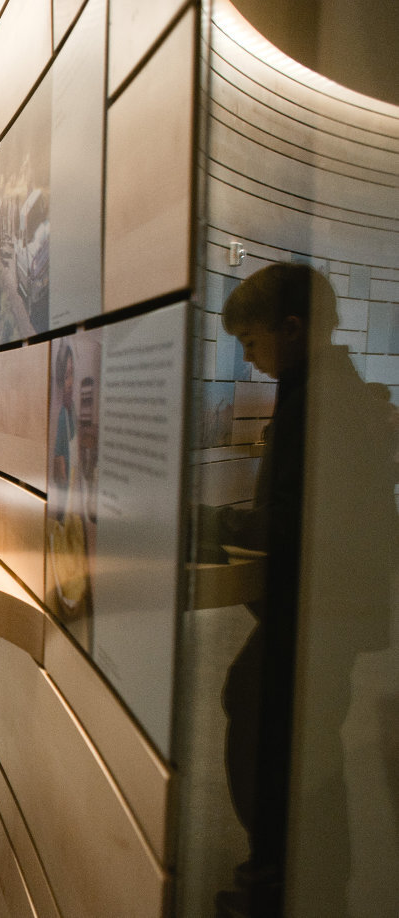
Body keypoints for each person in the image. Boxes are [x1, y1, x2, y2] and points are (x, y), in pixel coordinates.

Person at [202, 263, 397, 917]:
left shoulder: (323, 401)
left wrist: (214, 522)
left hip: (322, 610)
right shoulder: (320, 392)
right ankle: (292, 873)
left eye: (253, 342)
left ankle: (283, 879)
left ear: (291, 328)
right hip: (325, 607)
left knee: (281, 736)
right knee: (285, 728)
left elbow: (297, 519)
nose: (250, 359)